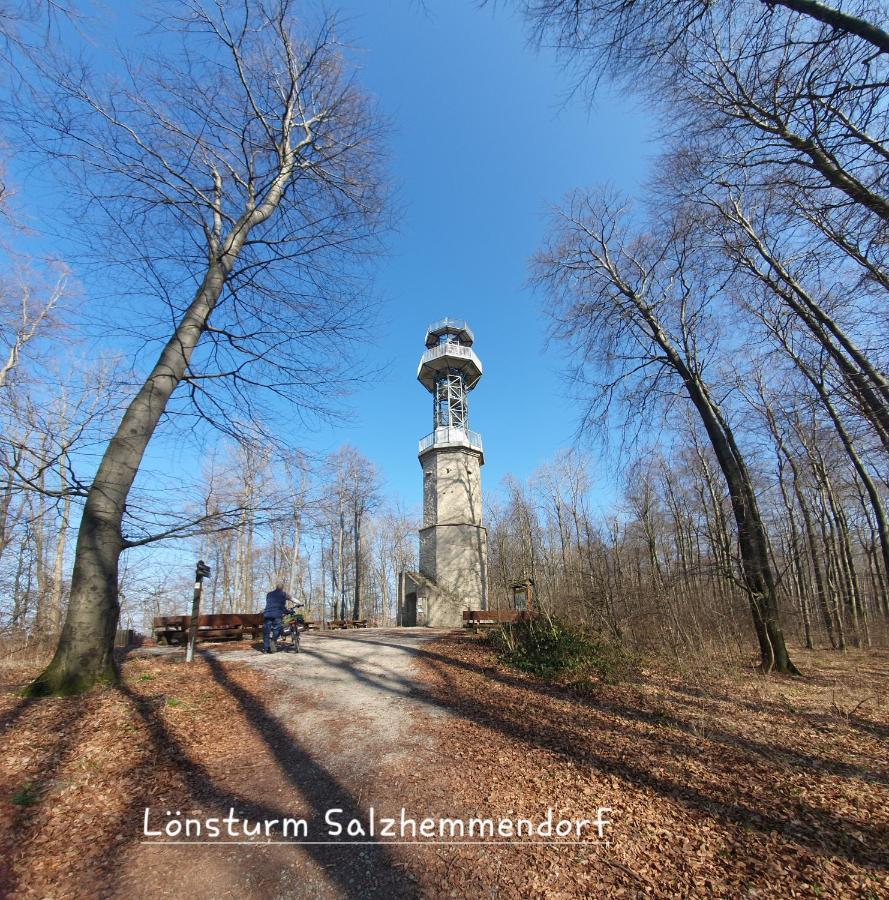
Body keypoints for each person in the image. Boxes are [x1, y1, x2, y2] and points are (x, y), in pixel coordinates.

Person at [262, 581, 290, 653]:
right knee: (277, 629)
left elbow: (271, 604)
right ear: (282, 588)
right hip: (277, 615)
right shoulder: (284, 594)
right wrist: (300, 603)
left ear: (276, 587)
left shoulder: (269, 594)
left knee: (266, 632)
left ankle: (265, 648)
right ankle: (273, 640)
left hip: (267, 614)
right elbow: (292, 599)